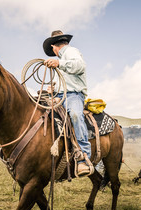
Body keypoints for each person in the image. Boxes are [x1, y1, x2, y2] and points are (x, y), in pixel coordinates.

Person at [43, 30, 93, 177]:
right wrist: (53, 88)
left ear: (54, 47)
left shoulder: (70, 51)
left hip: (73, 95)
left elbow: (80, 66)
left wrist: (59, 63)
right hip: (59, 95)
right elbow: (63, 80)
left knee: (76, 115)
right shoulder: (62, 61)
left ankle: (83, 156)